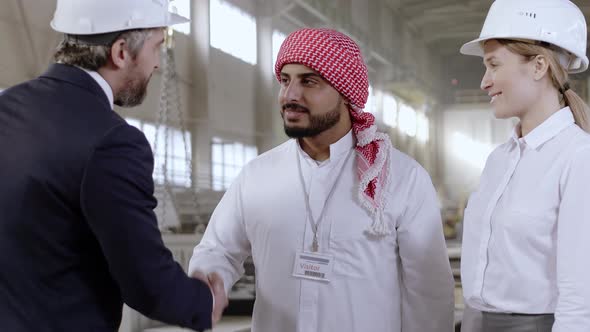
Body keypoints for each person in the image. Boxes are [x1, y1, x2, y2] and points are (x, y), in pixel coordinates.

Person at [188, 28, 454, 332]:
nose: (290, 95)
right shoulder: (257, 176)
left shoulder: (401, 179)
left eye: (309, 81)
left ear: (346, 93)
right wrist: (207, 281)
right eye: (285, 80)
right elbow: (217, 250)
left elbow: (429, 293)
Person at [0, 0, 226, 331]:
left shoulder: (6, 107)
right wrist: (203, 302)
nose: (157, 64)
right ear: (121, 52)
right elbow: (145, 281)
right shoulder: (112, 142)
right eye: (156, 47)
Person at [459, 0, 590, 331]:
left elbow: (581, 297)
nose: (484, 82)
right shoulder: (499, 159)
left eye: (494, 65)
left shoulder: (578, 157)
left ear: (538, 66)